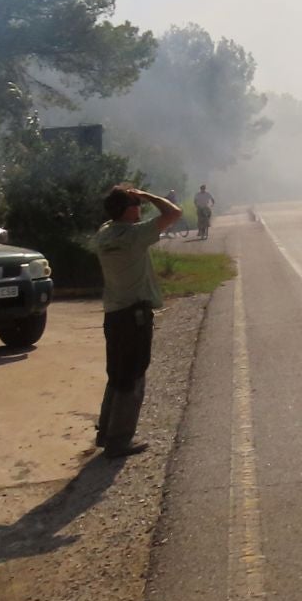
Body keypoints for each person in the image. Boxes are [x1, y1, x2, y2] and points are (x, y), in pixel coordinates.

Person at [92, 184, 182, 458]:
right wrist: (146, 194)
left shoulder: (104, 234)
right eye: (136, 205)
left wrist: (127, 199)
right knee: (133, 375)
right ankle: (120, 440)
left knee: (116, 374)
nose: (140, 208)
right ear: (127, 210)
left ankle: (106, 432)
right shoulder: (135, 236)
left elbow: (114, 218)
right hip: (135, 316)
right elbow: (174, 212)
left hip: (114, 314)